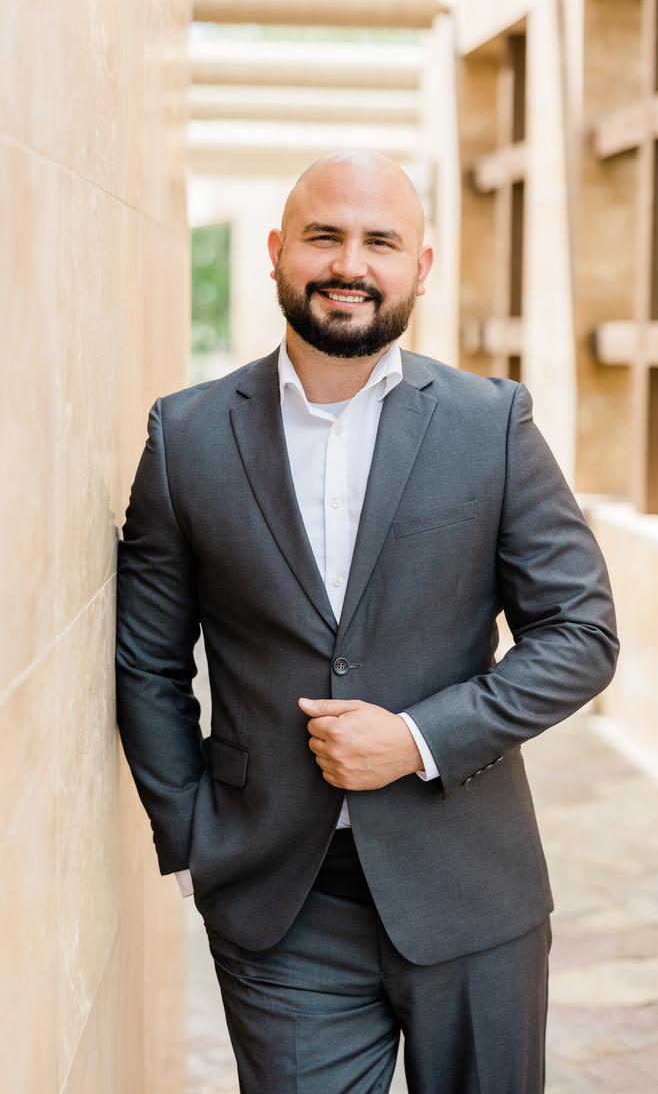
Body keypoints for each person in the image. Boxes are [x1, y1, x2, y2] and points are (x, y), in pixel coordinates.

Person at [116, 149, 618, 1094]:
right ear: (277, 251)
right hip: (279, 905)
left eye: (380, 242)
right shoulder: (185, 438)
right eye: (324, 236)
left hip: (473, 890)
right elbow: (147, 661)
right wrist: (191, 837)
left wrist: (419, 738)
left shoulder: (492, 424)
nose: (350, 264)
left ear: (419, 267)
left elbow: (581, 632)